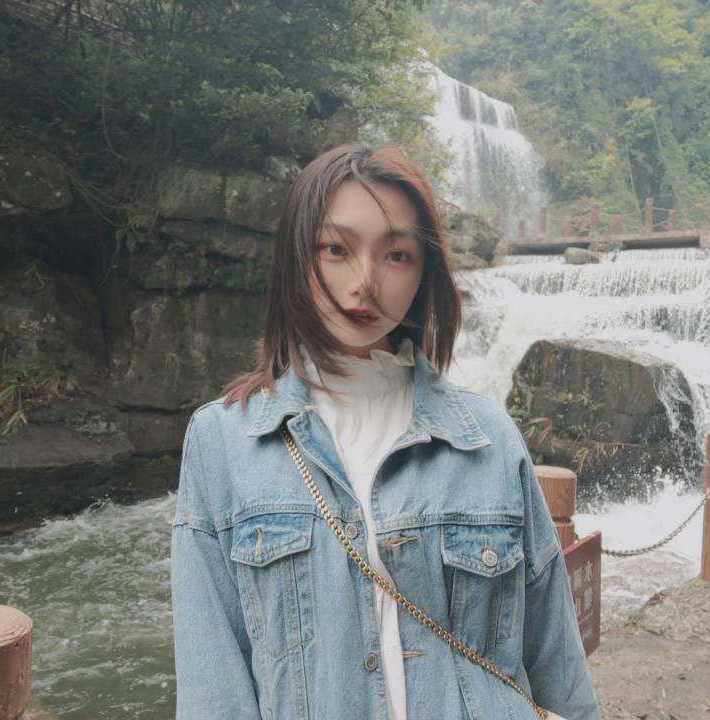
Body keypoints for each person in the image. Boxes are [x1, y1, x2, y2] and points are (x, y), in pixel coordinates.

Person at [170, 143, 600, 719]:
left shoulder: (489, 438)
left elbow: (557, 664)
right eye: (335, 249)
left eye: (397, 255)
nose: (365, 282)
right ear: (297, 258)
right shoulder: (220, 442)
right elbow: (212, 690)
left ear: (424, 274)